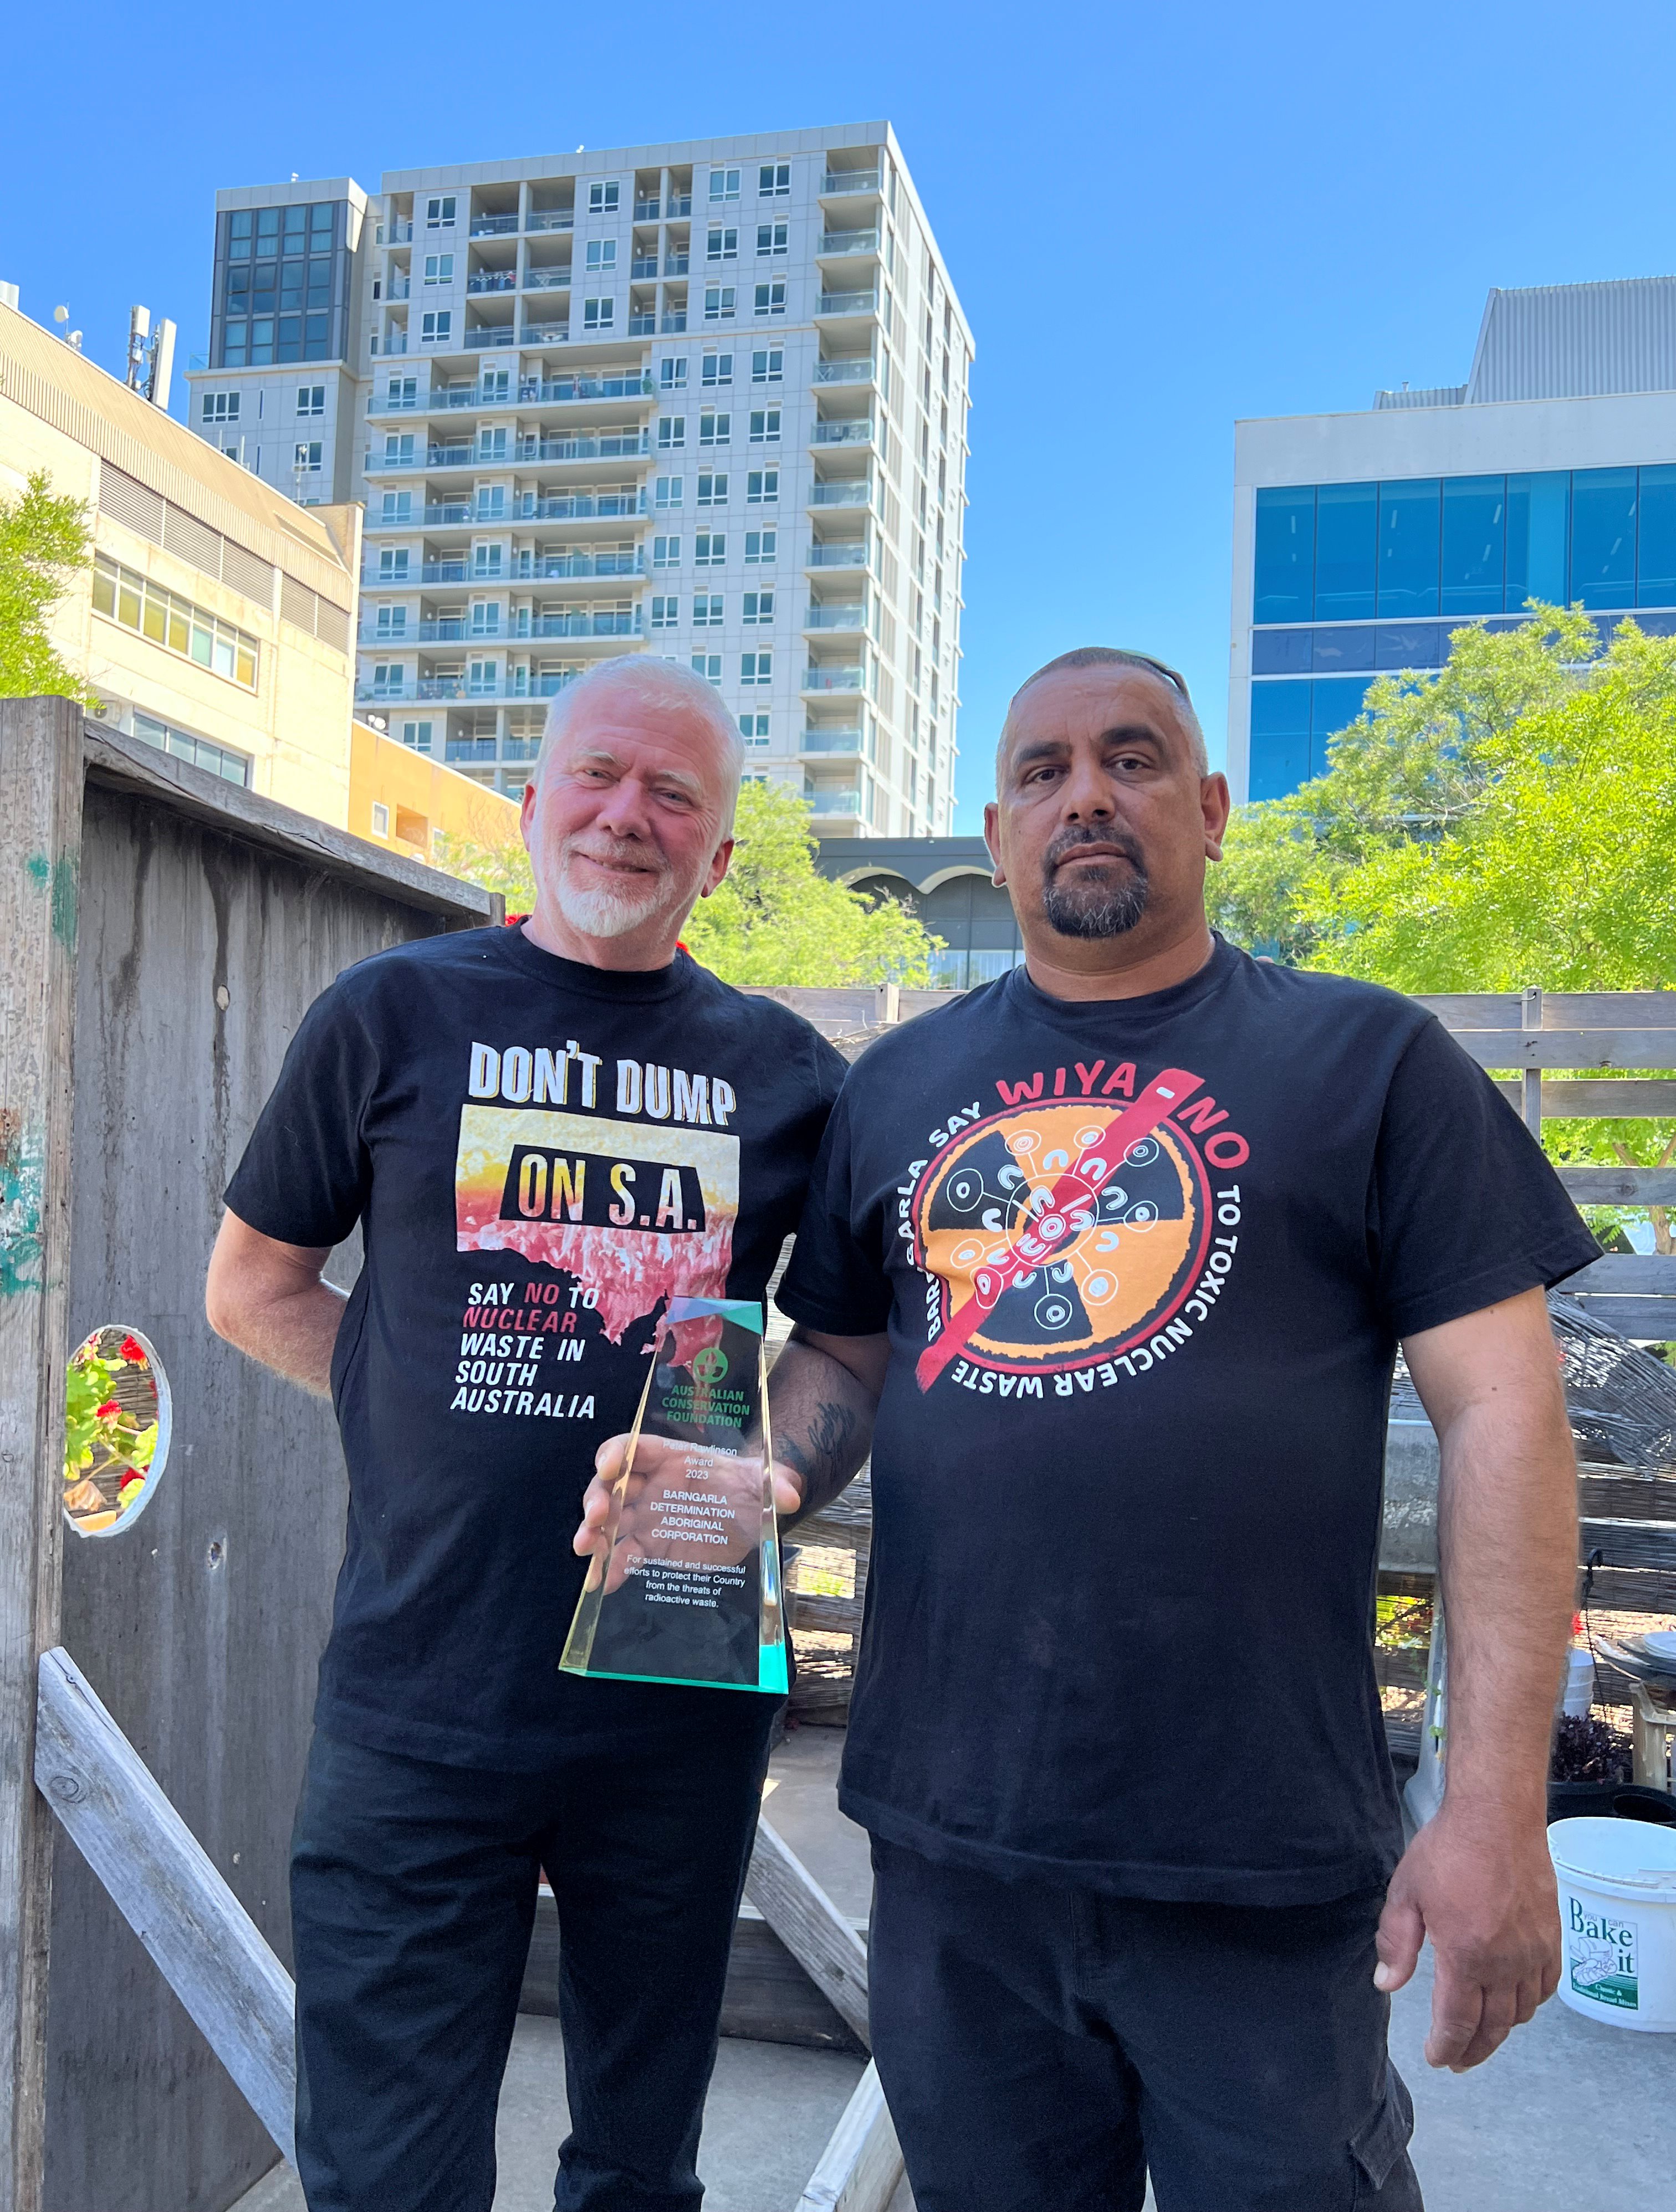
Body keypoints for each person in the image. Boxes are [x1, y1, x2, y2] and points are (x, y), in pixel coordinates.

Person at [657, 647, 1596, 2210]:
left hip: (1262, 1861)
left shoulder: (1370, 1065)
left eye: (1133, 757)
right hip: (954, 1853)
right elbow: (837, 1362)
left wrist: (1499, 1811)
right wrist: (760, 1478)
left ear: (1215, 809)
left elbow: (1506, 1412)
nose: (1085, 793)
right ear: (996, 827)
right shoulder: (897, 1087)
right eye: (1043, 771)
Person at [206, 655, 845, 2212]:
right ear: (537, 800)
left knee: (638, 2170)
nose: (628, 818)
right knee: (385, 2174)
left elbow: (845, 1353)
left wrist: (779, 1477)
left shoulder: (791, 1079)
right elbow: (251, 1288)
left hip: (676, 1709)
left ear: (720, 850)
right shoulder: (391, 1014)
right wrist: (412, 1395)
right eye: (599, 779)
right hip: (419, 1699)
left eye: (673, 796)